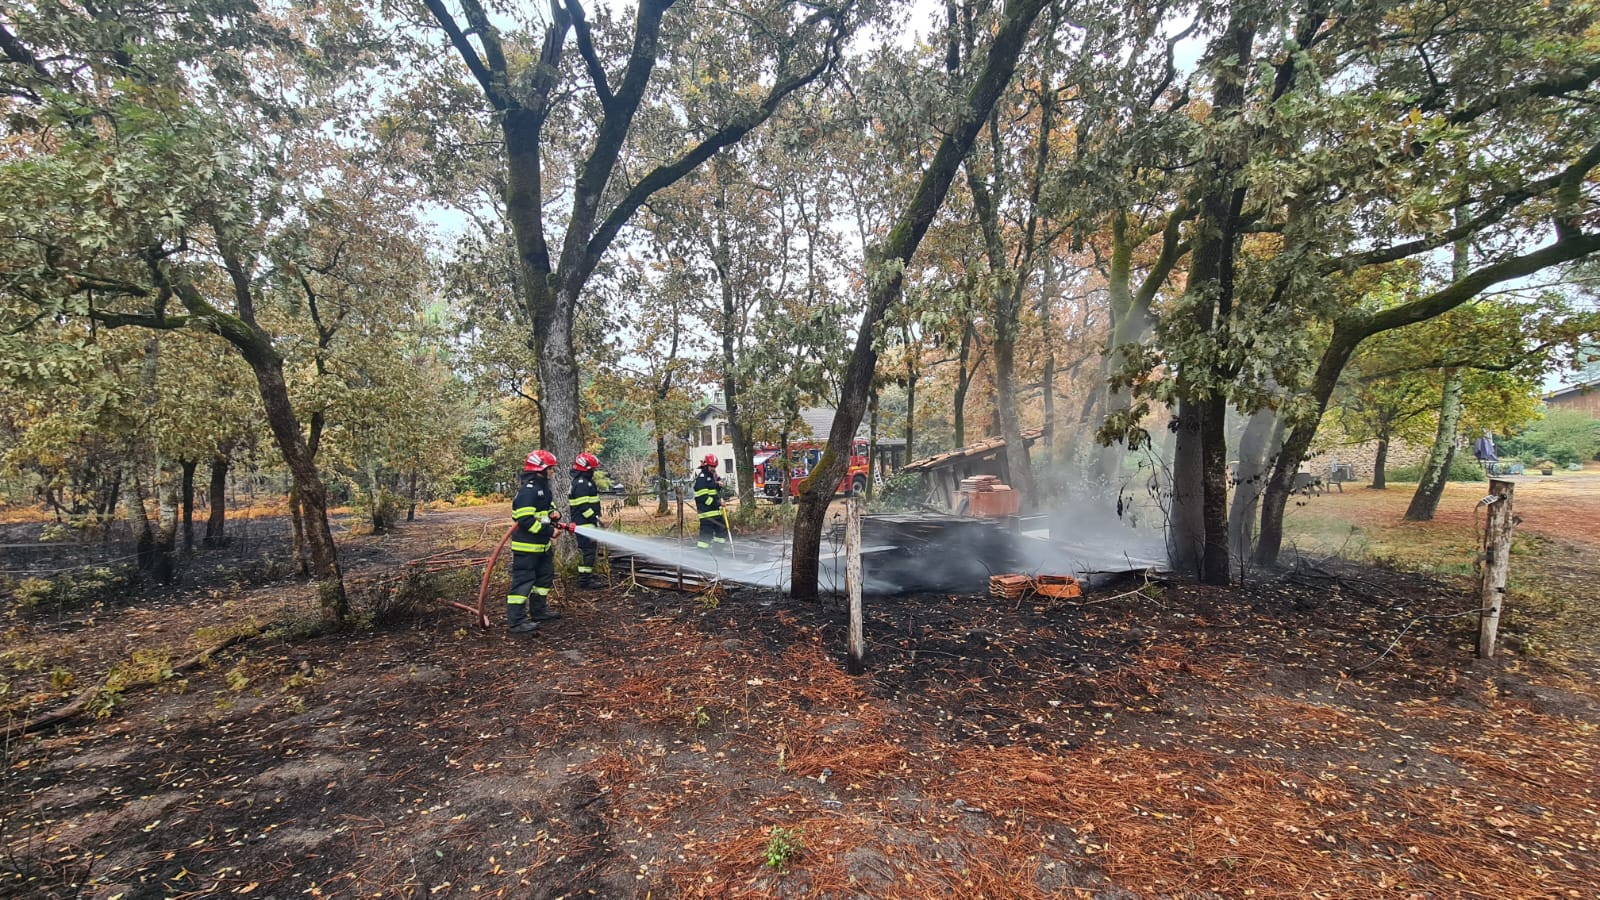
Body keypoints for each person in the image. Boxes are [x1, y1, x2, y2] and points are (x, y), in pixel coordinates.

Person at [507, 450, 563, 634]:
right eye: (550, 469)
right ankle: (516, 622)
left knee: (544, 578)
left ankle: (538, 611)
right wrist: (549, 531)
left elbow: (547, 510)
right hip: (527, 548)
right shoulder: (528, 490)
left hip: (541, 547)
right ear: (540, 470)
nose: (552, 472)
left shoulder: (543, 489)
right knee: (523, 582)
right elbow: (525, 520)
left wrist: (555, 514)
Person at [569, 452, 603, 588]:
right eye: (592, 469)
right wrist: (594, 519)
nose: (594, 471)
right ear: (586, 469)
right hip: (584, 524)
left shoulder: (584, 482)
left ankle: (587, 576)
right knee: (588, 551)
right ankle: (585, 581)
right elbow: (583, 506)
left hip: (586, 523)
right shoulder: (582, 484)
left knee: (590, 550)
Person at [693, 453, 730, 551]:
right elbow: (703, 498)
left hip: (716, 513)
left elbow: (712, 490)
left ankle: (717, 553)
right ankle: (702, 556)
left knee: (722, 532)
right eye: (711, 466)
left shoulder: (711, 477)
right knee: (705, 538)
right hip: (706, 515)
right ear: (706, 465)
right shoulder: (702, 478)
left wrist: (718, 485)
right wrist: (718, 503)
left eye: (714, 466)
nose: (713, 468)